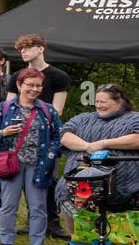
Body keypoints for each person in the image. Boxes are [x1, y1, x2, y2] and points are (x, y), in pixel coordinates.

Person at [0, 68, 64, 245]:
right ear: (20, 85)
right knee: (8, 205)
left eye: (38, 86)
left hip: (39, 164)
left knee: (38, 206)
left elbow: (59, 135)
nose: (35, 89)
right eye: (30, 85)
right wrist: (3, 133)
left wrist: (52, 152)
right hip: (11, 163)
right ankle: (6, 242)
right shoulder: (4, 108)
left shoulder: (47, 109)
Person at [10, 34, 71, 238]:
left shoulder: (58, 76)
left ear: (41, 49)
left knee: (49, 179)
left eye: (28, 47)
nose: (24, 51)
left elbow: (57, 110)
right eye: (21, 49)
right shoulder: (17, 76)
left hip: (47, 136)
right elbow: (9, 106)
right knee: (26, 181)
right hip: (20, 137)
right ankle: (32, 220)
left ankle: (52, 222)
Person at [55, 84, 139, 228]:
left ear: (120, 101)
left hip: (117, 178)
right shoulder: (84, 118)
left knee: (95, 180)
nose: (98, 106)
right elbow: (64, 135)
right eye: (97, 102)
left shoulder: (134, 118)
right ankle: (76, 237)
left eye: (103, 102)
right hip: (78, 176)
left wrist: (104, 143)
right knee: (66, 189)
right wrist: (88, 146)